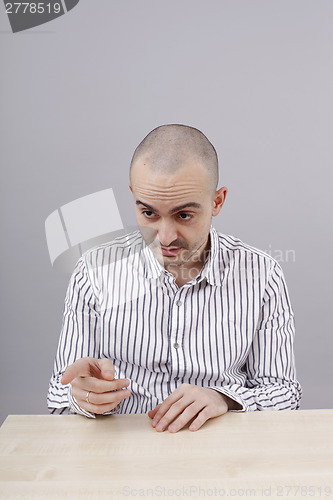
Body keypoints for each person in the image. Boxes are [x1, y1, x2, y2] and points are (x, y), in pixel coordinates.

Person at [47, 124, 302, 433]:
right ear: (134, 197)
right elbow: (59, 397)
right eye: (149, 213)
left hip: (223, 456)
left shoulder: (262, 275)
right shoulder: (93, 271)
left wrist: (225, 398)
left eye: (183, 215)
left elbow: (285, 394)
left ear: (217, 202)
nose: (165, 238)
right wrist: (83, 396)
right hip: (120, 456)